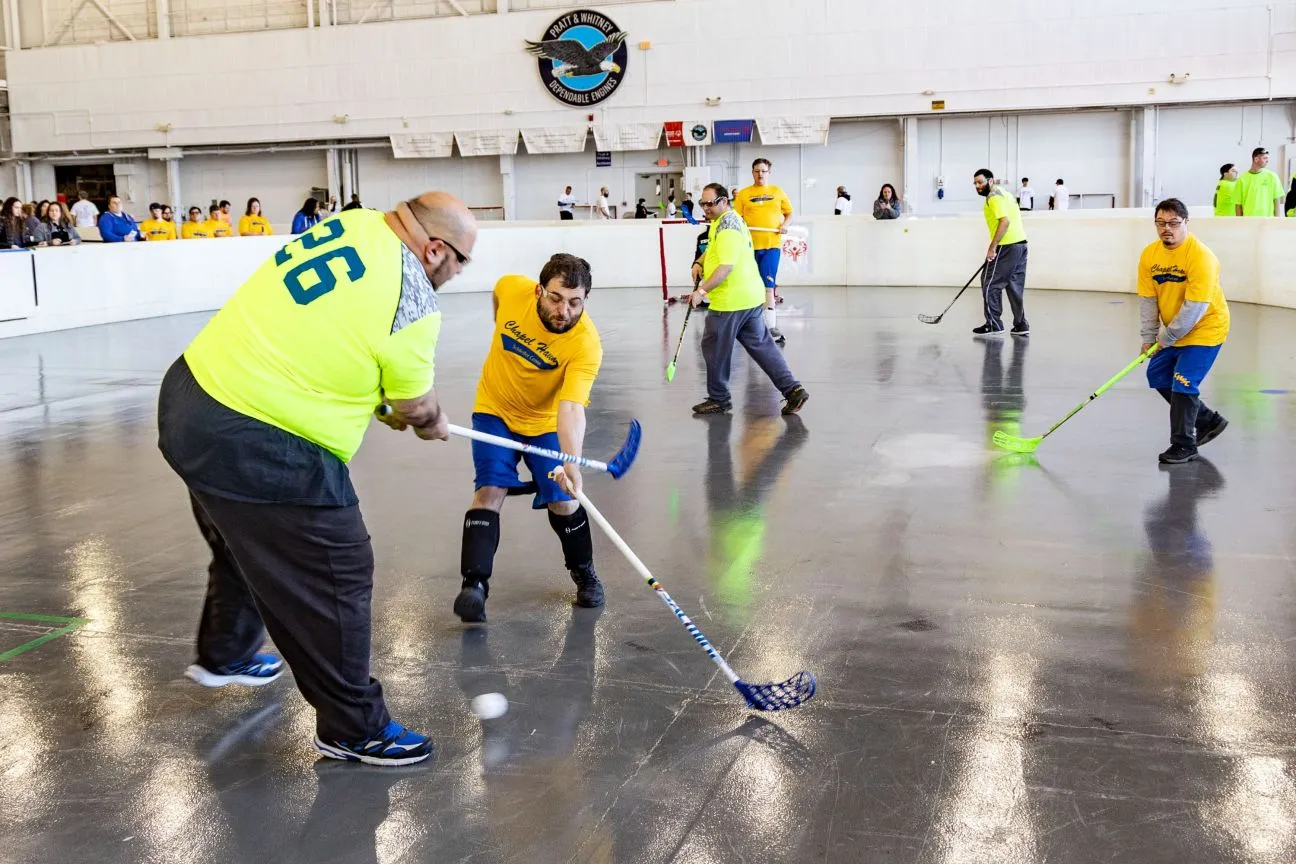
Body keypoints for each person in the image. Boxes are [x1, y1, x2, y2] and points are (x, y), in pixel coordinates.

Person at [157, 192, 477, 766]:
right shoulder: (414, 300)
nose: (457, 273)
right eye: (460, 262)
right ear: (434, 249)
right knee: (337, 568)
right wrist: (429, 420)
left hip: (190, 398)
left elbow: (340, 332)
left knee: (249, 532)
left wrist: (387, 403)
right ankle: (353, 727)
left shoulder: (356, 224)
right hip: (256, 438)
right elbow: (414, 405)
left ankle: (226, 652)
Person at [452, 253, 605, 624]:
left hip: (544, 422)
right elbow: (498, 299)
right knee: (489, 491)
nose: (564, 311)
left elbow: (571, 409)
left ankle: (584, 572)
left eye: (575, 302)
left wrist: (572, 464)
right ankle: (474, 586)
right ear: (539, 290)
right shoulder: (512, 289)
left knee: (564, 500)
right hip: (495, 410)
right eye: (555, 298)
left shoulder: (586, 345)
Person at [689, 183, 809, 417]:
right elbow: (714, 249)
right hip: (750, 298)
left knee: (713, 348)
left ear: (724, 201)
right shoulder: (725, 221)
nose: (705, 208)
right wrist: (700, 262)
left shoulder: (728, 229)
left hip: (730, 302)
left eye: (710, 203)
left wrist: (700, 292)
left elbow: (725, 267)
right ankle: (793, 389)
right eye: (702, 204)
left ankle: (719, 399)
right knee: (763, 346)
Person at [1138, 198, 1229, 464]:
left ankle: (1184, 444)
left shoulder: (1201, 257)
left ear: (1186, 223)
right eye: (1161, 223)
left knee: (1184, 381)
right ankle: (1207, 420)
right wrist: (1148, 338)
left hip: (1205, 327)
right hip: (1177, 330)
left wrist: (1166, 338)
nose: (1167, 228)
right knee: (1157, 373)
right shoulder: (1149, 255)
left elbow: (1195, 308)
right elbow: (1147, 300)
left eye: (1174, 223)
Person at [734, 158, 793, 341]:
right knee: (749, 286)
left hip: (771, 245)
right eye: (757, 171)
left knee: (768, 286)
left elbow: (789, 213)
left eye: (763, 171)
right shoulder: (743, 194)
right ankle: (748, 324)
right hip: (749, 247)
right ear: (752, 172)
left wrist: (785, 225)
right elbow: (737, 218)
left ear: (769, 173)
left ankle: (772, 327)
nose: (760, 174)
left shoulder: (777, 192)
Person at [973, 168, 1029, 337]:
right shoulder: (1006, 193)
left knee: (989, 283)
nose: (977, 186)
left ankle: (994, 324)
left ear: (991, 181)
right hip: (1021, 245)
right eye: (975, 183)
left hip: (1007, 245)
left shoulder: (993, 196)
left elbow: (1004, 221)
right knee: (1014, 286)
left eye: (980, 182)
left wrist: (992, 247)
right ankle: (1021, 325)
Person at [1233, 147, 1284, 218]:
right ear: (1256, 159)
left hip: (1268, 221)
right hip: (1248, 221)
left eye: (1268, 158)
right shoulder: (1242, 179)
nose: (1267, 161)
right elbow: (1238, 205)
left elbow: (1276, 201)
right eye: (1265, 158)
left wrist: (1277, 220)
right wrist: (1240, 223)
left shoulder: (1272, 176)